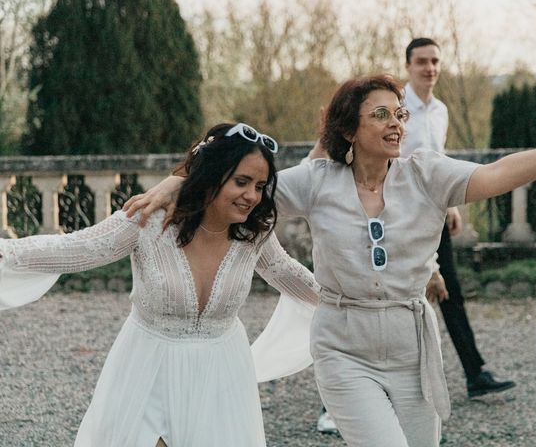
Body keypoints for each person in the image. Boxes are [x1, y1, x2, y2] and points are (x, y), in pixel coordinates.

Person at [125, 75, 536, 447]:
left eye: (400, 114)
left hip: (413, 351)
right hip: (343, 350)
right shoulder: (316, 181)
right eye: (381, 114)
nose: (396, 123)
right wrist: (176, 182)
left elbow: (495, 174)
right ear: (349, 128)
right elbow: (236, 175)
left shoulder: (425, 173)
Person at [0, 123, 319, 447]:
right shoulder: (150, 221)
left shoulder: (254, 235)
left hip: (222, 374)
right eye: (241, 182)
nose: (252, 196)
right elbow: (75, 249)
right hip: (149, 368)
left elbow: (295, 279)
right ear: (211, 174)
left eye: (260, 185)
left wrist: (361, 306)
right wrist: (4, 252)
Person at [403, 37, 516, 398]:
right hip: (401, 216)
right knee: (400, 294)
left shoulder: (440, 111)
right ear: (408, 66)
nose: (430, 68)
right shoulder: (397, 107)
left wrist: (451, 203)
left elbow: (439, 162)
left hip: (434, 213)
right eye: (422, 61)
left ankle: (475, 373)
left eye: (435, 61)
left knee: (448, 290)